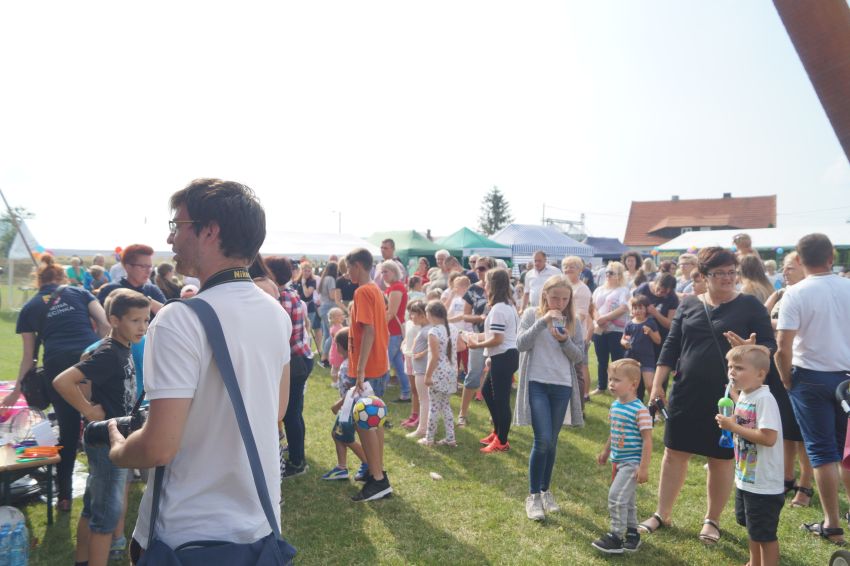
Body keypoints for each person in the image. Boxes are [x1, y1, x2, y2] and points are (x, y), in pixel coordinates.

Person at [107, 178, 293, 561]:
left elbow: (159, 446)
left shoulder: (179, 319)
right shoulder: (275, 313)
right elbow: (276, 409)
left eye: (178, 226)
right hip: (258, 527)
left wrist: (119, 450)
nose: (171, 238)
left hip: (186, 535)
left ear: (210, 231)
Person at [640, 246, 776, 545]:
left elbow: (770, 345)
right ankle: (662, 513)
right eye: (719, 273)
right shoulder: (689, 304)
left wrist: (751, 349)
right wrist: (657, 384)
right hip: (686, 391)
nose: (727, 278)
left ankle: (712, 520)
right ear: (703, 276)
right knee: (674, 452)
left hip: (728, 396)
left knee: (720, 457)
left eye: (731, 272)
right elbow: (671, 346)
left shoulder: (750, 305)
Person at [5, 254, 110, 513]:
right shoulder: (79, 292)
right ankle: (109, 485)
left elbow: (28, 357)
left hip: (57, 365)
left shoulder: (29, 307)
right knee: (103, 419)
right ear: (62, 278)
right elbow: (105, 324)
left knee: (69, 428)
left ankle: (64, 496)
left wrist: (16, 390)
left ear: (39, 281)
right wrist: (100, 352)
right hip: (90, 357)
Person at [53, 290, 150, 566]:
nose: (142, 327)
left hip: (110, 438)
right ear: (114, 320)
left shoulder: (123, 347)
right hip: (107, 442)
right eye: (135, 320)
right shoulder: (108, 352)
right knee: (106, 517)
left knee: (93, 509)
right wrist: (88, 409)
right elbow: (62, 381)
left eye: (146, 320)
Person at [776, 233, 850, 545]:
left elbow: (783, 346)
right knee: (844, 451)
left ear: (800, 259)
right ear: (831, 257)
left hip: (810, 377)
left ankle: (832, 523)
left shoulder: (795, 293)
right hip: (844, 377)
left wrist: (785, 378)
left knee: (822, 452)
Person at [514, 275, 584, 521]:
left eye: (565, 299)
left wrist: (565, 341)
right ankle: (533, 496)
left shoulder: (574, 321)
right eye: (555, 298)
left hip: (562, 385)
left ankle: (545, 491)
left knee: (552, 442)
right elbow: (520, 344)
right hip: (536, 383)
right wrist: (543, 322)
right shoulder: (531, 314)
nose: (560, 303)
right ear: (545, 294)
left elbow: (579, 356)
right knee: (542, 439)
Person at [716, 345, 784, 566]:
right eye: (730, 367)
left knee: (765, 534)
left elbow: (768, 438)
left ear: (760, 374)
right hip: (747, 478)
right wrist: (733, 408)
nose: (732, 372)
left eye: (739, 368)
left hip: (764, 483)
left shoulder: (764, 399)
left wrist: (733, 427)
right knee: (753, 528)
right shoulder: (746, 395)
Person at [764, 252, 814, 508]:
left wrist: (775, 324)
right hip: (779, 367)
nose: (784, 272)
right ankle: (787, 476)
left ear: (804, 268)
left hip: (800, 367)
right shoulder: (784, 294)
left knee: (803, 432)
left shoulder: (808, 294)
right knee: (785, 427)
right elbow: (762, 316)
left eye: (790, 268)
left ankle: (805, 484)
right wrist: (777, 294)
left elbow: (796, 327)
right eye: (783, 268)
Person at [345, 247, 393, 501]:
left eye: (348, 268)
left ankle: (378, 479)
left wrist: (360, 369)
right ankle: (377, 471)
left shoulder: (363, 291)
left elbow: (369, 331)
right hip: (378, 364)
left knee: (365, 422)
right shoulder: (375, 289)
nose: (347, 273)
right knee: (375, 423)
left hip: (370, 368)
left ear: (358, 266)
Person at [593, 359, 652, 554]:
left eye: (617, 380)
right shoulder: (615, 406)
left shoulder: (640, 410)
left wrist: (643, 467)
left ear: (633, 384)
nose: (611, 384)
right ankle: (633, 535)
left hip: (632, 463)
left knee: (616, 497)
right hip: (618, 462)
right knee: (627, 500)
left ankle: (616, 537)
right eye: (610, 379)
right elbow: (614, 431)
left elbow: (647, 440)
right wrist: (606, 452)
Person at [264, 255, 313, 480]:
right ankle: (296, 454)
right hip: (301, 358)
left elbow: (278, 334)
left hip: (294, 362)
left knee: (291, 414)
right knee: (294, 413)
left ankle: (297, 461)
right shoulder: (292, 293)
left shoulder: (282, 298)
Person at [468, 268, 520, 454]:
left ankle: (502, 441)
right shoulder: (506, 305)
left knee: (501, 399)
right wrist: (475, 337)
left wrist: (477, 344)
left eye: (487, 282)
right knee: (487, 393)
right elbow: (494, 335)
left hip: (504, 356)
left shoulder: (499, 309)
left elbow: (497, 339)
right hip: (505, 355)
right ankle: (497, 433)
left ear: (493, 285)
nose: (484, 286)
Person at [322, 328, 368, 481]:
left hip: (350, 408)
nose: (335, 348)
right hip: (347, 407)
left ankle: (368, 462)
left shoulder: (347, 366)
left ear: (343, 346)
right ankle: (341, 468)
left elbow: (352, 391)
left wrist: (338, 405)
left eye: (336, 345)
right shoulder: (352, 363)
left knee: (346, 437)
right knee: (336, 434)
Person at [419, 300, 460, 447]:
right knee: (446, 405)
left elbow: (435, 357)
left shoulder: (434, 331)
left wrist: (428, 375)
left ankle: (429, 438)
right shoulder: (453, 328)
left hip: (438, 373)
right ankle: (450, 438)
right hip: (451, 372)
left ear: (430, 314)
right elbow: (460, 347)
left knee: (434, 407)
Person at [458, 257, 493, 425]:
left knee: (495, 378)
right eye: (477, 268)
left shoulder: (501, 288)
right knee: (472, 376)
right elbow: (465, 315)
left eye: (482, 268)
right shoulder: (473, 289)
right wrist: (480, 317)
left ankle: (495, 414)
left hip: (497, 338)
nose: (478, 271)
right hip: (478, 337)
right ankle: (462, 414)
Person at [590, 261, 630, 395]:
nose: (608, 275)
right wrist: (598, 319)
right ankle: (601, 386)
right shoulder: (599, 289)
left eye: (611, 273)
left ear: (619, 275)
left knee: (617, 361)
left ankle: (619, 387)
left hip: (616, 330)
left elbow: (623, 308)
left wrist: (605, 318)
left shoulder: (623, 290)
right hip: (599, 329)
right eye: (607, 272)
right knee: (601, 360)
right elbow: (593, 307)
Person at [98, 244, 166, 314]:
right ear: (128, 267)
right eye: (143, 266)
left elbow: (167, 314)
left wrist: (148, 301)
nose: (148, 271)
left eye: (150, 267)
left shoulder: (153, 291)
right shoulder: (109, 291)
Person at [381, 259, 412, 402]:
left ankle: (378, 392)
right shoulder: (393, 287)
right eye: (382, 272)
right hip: (394, 331)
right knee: (398, 364)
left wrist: (380, 327)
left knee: (385, 363)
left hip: (393, 331)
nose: (383, 275)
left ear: (394, 272)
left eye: (386, 271)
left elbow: (391, 313)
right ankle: (406, 392)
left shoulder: (396, 287)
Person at [562, 256, 593, 402]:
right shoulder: (564, 286)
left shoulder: (582, 289)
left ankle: (582, 400)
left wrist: (566, 327)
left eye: (572, 267)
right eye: (565, 267)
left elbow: (581, 314)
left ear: (580, 270)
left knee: (579, 368)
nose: (568, 270)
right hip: (565, 331)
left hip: (577, 333)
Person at [621, 296, 661, 401]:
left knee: (650, 385)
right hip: (631, 357)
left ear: (646, 309)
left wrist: (650, 332)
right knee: (632, 386)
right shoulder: (629, 324)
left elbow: (658, 340)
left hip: (647, 358)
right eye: (635, 308)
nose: (637, 311)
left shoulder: (650, 323)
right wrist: (625, 343)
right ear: (632, 310)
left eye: (640, 308)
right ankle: (634, 407)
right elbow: (623, 339)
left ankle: (655, 408)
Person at [406, 300, 432, 439]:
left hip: (423, 370)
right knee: (425, 400)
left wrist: (422, 353)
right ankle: (427, 427)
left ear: (422, 314)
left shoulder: (428, 330)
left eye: (414, 314)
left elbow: (437, 345)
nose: (411, 316)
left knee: (424, 400)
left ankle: (422, 429)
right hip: (421, 369)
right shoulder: (424, 328)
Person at [401, 301, 425, 430]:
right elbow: (407, 338)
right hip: (408, 358)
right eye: (410, 312)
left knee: (419, 390)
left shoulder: (424, 327)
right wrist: (403, 344)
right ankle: (414, 414)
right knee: (413, 389)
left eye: (414, 313)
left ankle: (421, 416)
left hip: (418, 360)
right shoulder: (409, 323)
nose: (411, 315)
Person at [292, 260, 321, 361]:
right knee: (299, 329)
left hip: (310, 308)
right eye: (305, 270)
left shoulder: (312, 281)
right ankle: (299, 350)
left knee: (307, 329)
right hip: (299, 308)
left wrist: (304, 284)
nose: (307, 273)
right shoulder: (296, 281)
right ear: (301, 270)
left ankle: (307, 350)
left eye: (309, 271)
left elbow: (307, 294)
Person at [318, 261, 342, 367]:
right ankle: (324, 358)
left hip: (323, 307)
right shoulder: (331, 279)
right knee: (332, 334)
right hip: (330, 308)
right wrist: (339, 296)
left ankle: (324, 357)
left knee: (327, 334)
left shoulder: (323, 278)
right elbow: (332, 296)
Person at [328, 307, 346, 388]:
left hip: (340, 349)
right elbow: (339, 338)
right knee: (335, 367)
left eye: (342, 315)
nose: (342, 317)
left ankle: (338, 381)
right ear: (333, 318)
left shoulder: (339, 325)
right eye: (339, 315)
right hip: (336, 351)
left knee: (339, 366)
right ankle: (334, 382)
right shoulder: (335, 328)